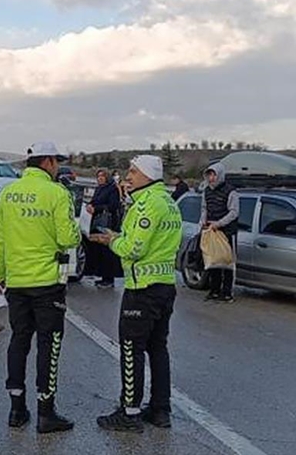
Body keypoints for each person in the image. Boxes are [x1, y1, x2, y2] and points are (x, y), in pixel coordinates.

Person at [0, 141, 80, 434]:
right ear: (49, 162)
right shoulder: (57, 193)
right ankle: (46, 411)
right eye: (56, 162)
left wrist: (1, 275)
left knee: (19, 341)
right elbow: (68, 238)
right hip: (48, 283)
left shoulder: (8, 193)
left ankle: (16, 410)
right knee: (49, 345)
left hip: (16, 282)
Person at [90, 155, 182, 433]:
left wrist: (112, 240)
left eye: (133, 171)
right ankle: (160, 409)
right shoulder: (167, 201)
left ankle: (129, 413)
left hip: (143, 289)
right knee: (157, 347)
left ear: (147, 175)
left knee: (131, 350)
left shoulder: (147, 204)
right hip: (165, 285)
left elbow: (134, 249)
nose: (127, 177)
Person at [200, 162, 239, 302]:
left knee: (228, 263)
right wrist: (203, 222)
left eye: (213, 174)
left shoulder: (230, 191)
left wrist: (219, 223)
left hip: (227, 232)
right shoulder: (207, 191)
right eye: (209, 174)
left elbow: (234, 212)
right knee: (213, 261)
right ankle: (214, 290)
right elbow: (204, 208)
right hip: (211, 232)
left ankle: (227, 292)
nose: (211, 178)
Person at [86, 169, 122, 288]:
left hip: (108, 223)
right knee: (99, 250)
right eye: (98, 176)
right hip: (97, 222)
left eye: (102, 176)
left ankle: (109, 279)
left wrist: (97, 209)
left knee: (107, 251)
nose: (100, 178)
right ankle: (102, 276)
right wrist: (90, 205)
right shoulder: (99, 189)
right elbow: (94, 201)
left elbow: (113, 205)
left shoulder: (112, 189)